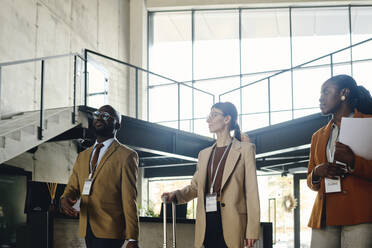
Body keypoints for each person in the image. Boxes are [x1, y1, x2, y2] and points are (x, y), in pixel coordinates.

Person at [162, 102, 260, 248]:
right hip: (207, 220)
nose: (208, 120)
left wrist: (252, 230)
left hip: (233, 222)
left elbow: (252, 192)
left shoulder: (245, 150)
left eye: (214, 115)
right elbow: (196, 187)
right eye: (209, 116)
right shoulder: (204, 154)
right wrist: (176, 195)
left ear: (227, 119)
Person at [60, 105, 139, 248]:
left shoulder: (126, 156)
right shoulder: (82, 156)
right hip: (87, 227)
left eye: (107, 116)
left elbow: (129, 198)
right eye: (98, 114)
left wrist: (133, 237)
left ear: (117, 125)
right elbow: (72, 187)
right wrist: (65, 199)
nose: (100, 118)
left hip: (111, 229)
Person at [307, 74, 372, 248]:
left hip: (359, 215)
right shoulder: (317, 136)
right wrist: (317, 172)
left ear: (344, 93)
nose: (320, 98)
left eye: (326, 92)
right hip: (324, 216)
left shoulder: (369, 124)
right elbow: (310, 180)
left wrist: (353, 162)